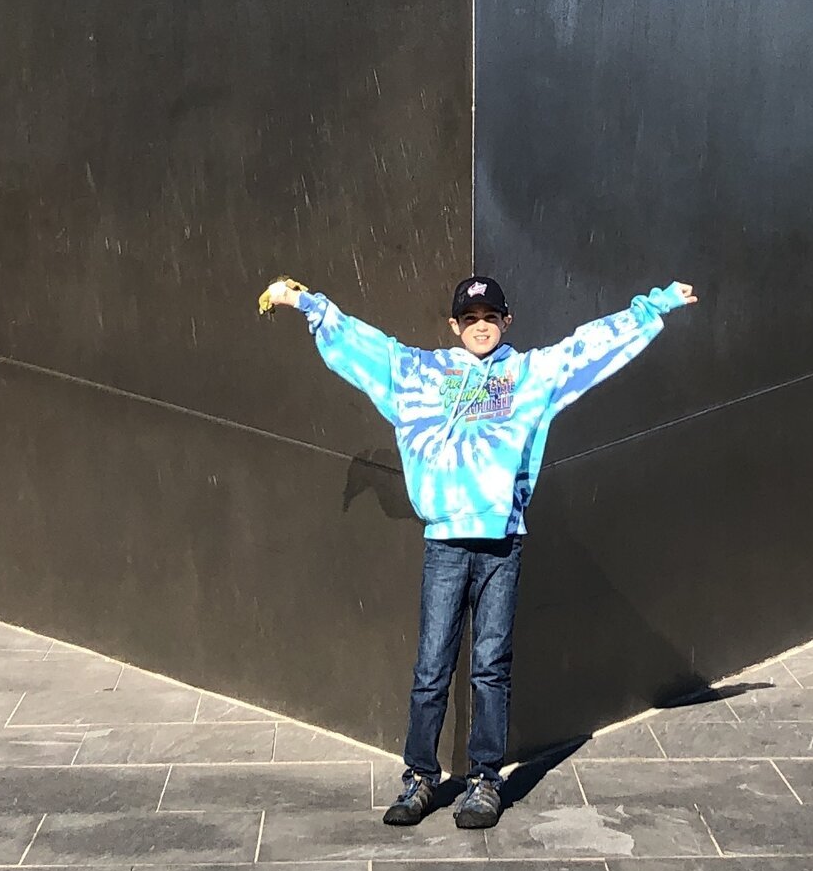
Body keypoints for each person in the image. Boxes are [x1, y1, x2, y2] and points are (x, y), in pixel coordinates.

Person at [258, 268, 696, 829]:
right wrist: (307, 304)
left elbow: (587, 347)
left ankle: (486, 781)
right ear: (454, 325)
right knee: (431, 668)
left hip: (501, 546)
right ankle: (420, 778)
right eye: (470, 319)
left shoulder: (529, 373)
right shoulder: (421, 372)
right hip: (444, 543)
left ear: (506, 322)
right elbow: (367, 346)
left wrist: (652, 307)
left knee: (490, 668)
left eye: (491, 318)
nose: (481, 327)